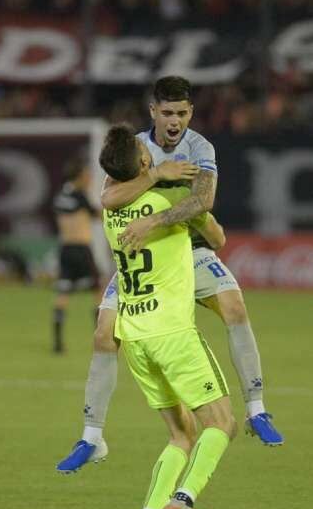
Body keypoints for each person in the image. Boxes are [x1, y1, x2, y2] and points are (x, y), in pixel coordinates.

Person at [57, 76, 283, 473]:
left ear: (190, 113)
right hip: (146, 258)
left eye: (181, 113)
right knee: (103, 334)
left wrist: (155, 219)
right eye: (167, 113)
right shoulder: (137, 149)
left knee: (234, 306)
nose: (175, 121)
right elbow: (109, 197)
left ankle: (257, 410)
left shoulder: (200, 148)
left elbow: (204, 200)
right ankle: (92, 437)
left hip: (187, 249)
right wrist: (155, 176)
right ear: (153, 113)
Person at [99, 123, 234, 509]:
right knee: (222, 423)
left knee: (181, 433)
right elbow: (217, 238)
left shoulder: (111, 209)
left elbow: (111, 193)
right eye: (146, 151)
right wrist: (187, 201)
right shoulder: (169, 196)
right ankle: (182, 502)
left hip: (135, 335)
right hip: (172, 332)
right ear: (144, 162)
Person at [52, 159, 98, 353]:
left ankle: (57, 343)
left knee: (62, 294)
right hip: (81, 249)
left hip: (65, 249)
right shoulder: (80, 195)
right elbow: (97, 214)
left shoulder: (60, 196)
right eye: (87, 175)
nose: (89, 179)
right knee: (99, 291)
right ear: (79, 176)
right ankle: (100, 340)